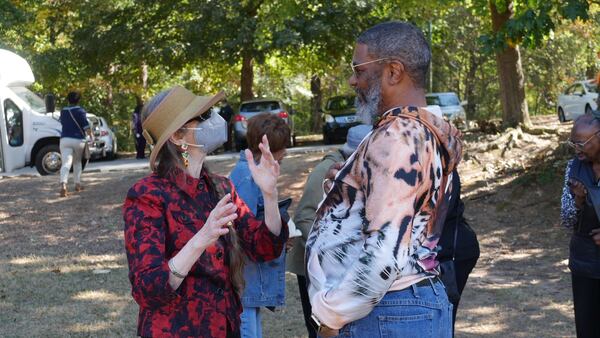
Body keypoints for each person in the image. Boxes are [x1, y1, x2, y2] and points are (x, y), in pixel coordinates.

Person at [305, 21, 463, 338]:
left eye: (359, 70)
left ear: (393, 72)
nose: (352, 81)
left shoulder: (400, 137)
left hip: (388, 311)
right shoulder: (417, 130)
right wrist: (346, 189)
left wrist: (330, 317)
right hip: (394, 309)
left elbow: (386, 251)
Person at [123, 86, 288, 338]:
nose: (215, 119)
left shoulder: (221, 186)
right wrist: (201, 239)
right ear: (178, 136)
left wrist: (270, 195)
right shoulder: (147, 195)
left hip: (226, 327)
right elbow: (149, 289)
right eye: (204, 115)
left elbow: (263, 247)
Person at [286, 123, 372, 338]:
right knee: (319, 328)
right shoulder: (326, 172)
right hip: (314, 269)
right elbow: (304, 218)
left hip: (336, 270)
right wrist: (327, 251)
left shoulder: (353, 171)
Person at [229, 113, 291, 338]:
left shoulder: (251, 173)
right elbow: (246, 234)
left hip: (250, 281)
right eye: (280, 157)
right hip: (246, 279)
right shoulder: (246, 178)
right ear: (268, 149)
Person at [560, 113, 600, 338]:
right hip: (584, 262)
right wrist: (578, 200)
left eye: (582, 143)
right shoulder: (573, 168)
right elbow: (566, 220)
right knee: (586, 329)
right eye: (573, 143)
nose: (577, 149)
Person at [59, 91, 92, 197]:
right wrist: (91, 136)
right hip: (78, 140)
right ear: (78, 100)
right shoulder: (80, 111)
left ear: (68, 100)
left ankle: (63, 185)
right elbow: (86, 127)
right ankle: (77, 184)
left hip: (65, 140)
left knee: (66, 163)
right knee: (77, 162)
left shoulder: (63, 111)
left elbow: (62, 123)